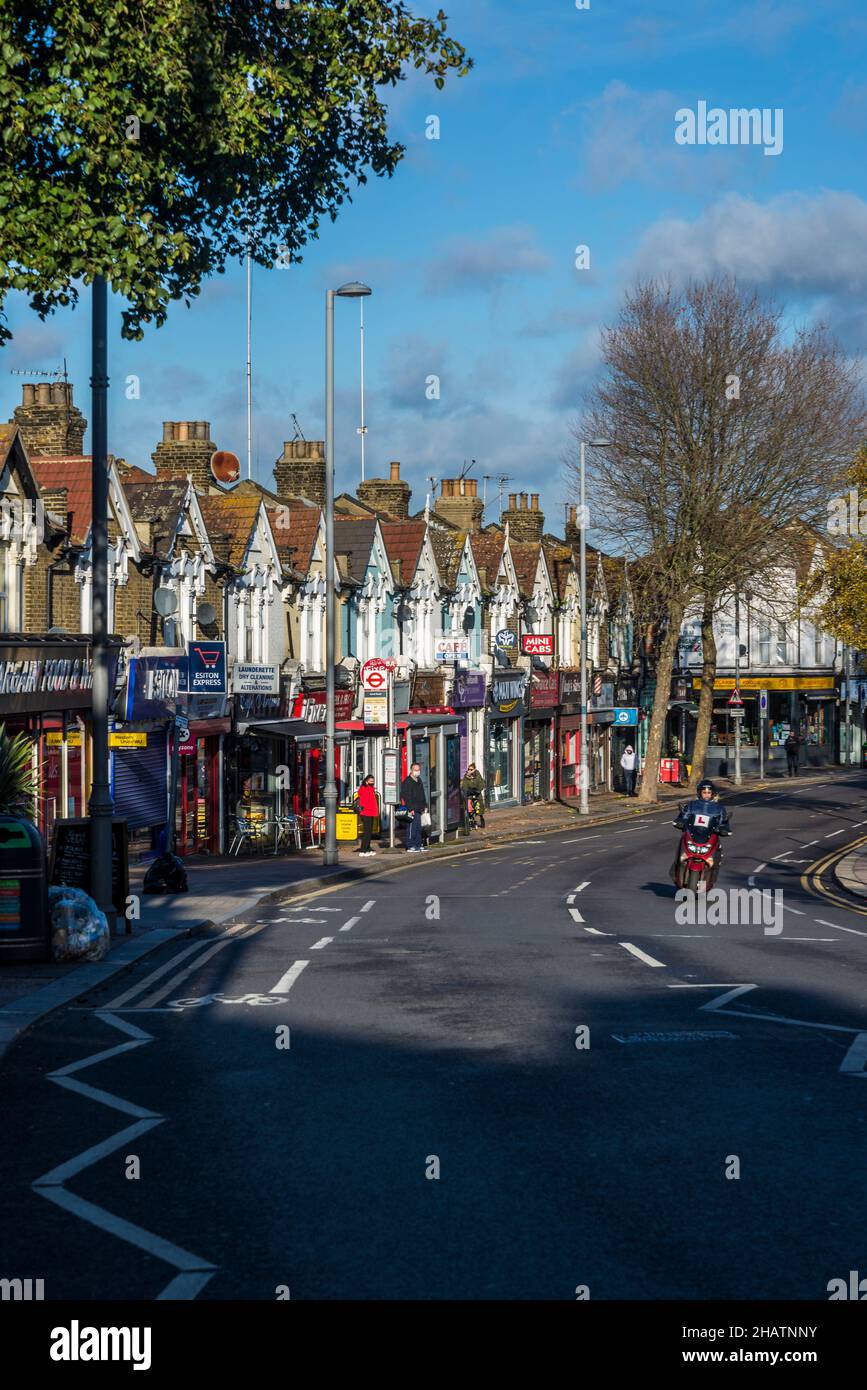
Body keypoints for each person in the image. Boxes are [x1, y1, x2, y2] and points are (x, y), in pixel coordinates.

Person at [671, 778, 731, 887]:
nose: (706, 795)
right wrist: (680, 821)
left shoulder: (719, 808)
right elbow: (684, 816)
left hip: (710, 837)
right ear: (699, 793)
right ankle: (676, 870)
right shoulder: (692, 805)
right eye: (704, 792)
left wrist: (724, 829)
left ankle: (711, 878)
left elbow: (724, 822)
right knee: (681, 850)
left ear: (713, 794)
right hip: (693, 835)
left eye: (709, 793)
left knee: (717, 857)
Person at [399, 762, 428, 852]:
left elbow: (422, 794)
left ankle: (418, 844)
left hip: (419, 807)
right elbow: (406, 796)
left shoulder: (419, 780)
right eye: (415, 770)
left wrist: (425, 806)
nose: (417, 772)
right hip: (412, 808)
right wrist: (410, 808)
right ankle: (410, 845)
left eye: (418, 770)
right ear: (411, 770)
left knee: (419, 827)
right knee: (412, 827)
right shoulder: (407, 781)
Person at [352, 774, 380, 857]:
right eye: (371, 781)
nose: (372, 782)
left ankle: (367, 848)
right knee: (367, 832)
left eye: (373, 781)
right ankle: (363, 850)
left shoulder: (371, 789)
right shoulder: (364, 789)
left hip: (370, 812)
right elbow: (364, 802)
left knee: (369, 832)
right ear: (366, 781)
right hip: (366, 813)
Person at [460, 762, 486, 829]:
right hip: (469, 794)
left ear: (474, 769)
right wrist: (468, 779)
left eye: (471, 769)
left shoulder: (477, 775)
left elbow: (481, 783)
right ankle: (469, 819)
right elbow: (464, 786)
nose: (469, 771)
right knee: (468, 804)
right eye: (468, 769)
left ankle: (481, 817)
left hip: (477, 793)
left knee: (479, 805)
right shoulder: (466, 776)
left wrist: (479, 789)